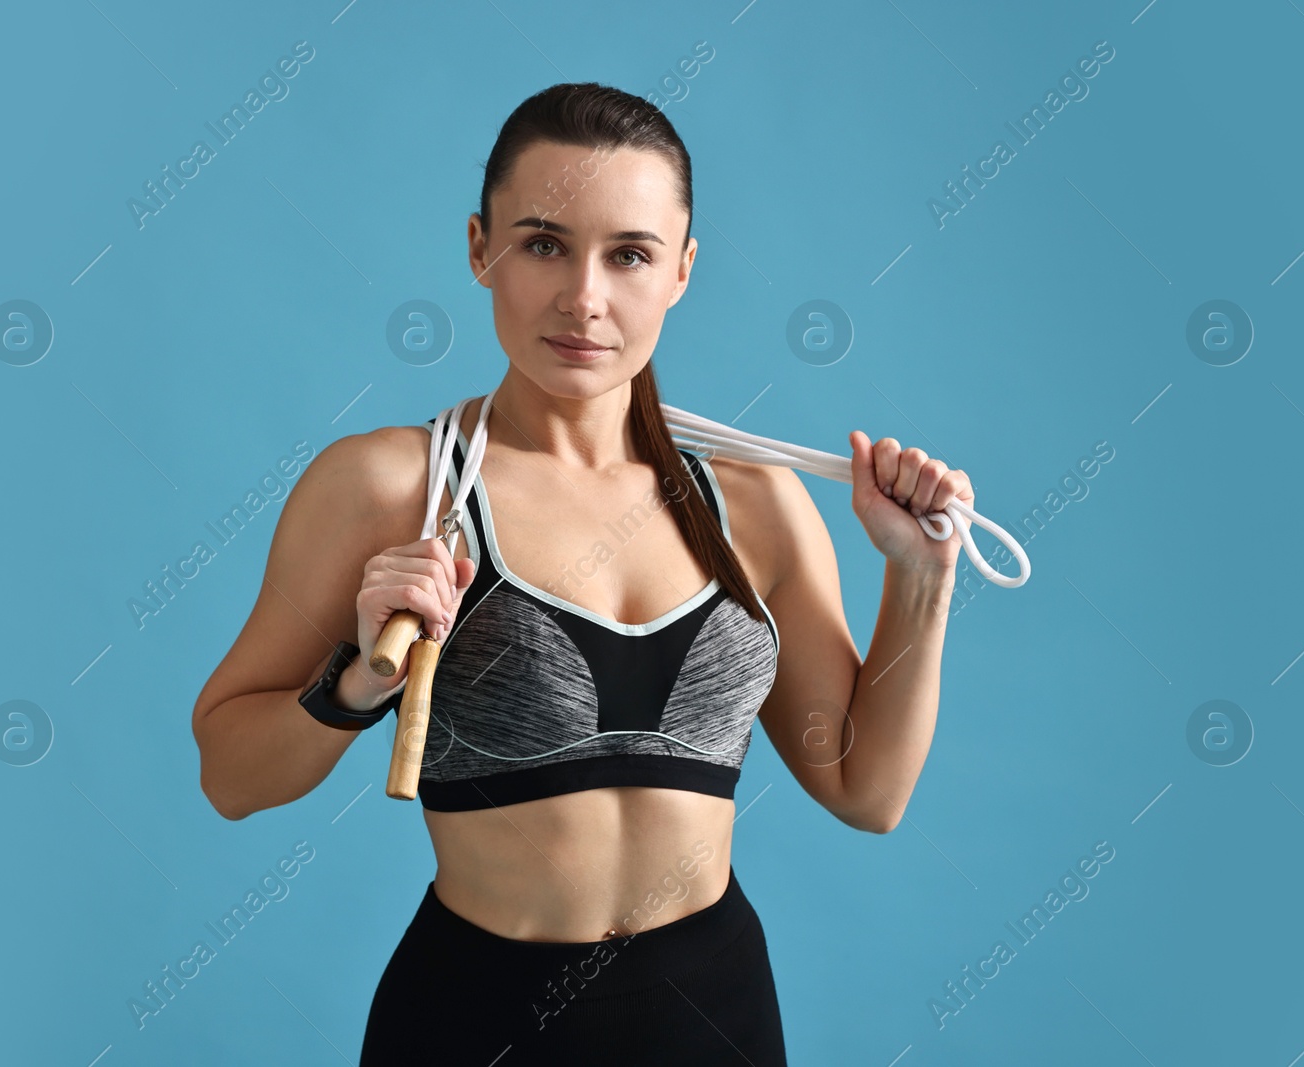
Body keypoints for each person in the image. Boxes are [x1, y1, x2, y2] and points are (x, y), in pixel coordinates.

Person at [191, 81, 972, 1066]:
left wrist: (921, 575)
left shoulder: (757, 502)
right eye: (543, 243)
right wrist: (358, 679)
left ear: (682, 270)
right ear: (480, 247)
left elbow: (868, 790)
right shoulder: (399, 487)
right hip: (473, 1020)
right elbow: (228, 773)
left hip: (714, 1016)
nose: (583, 298)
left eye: (629, 254)